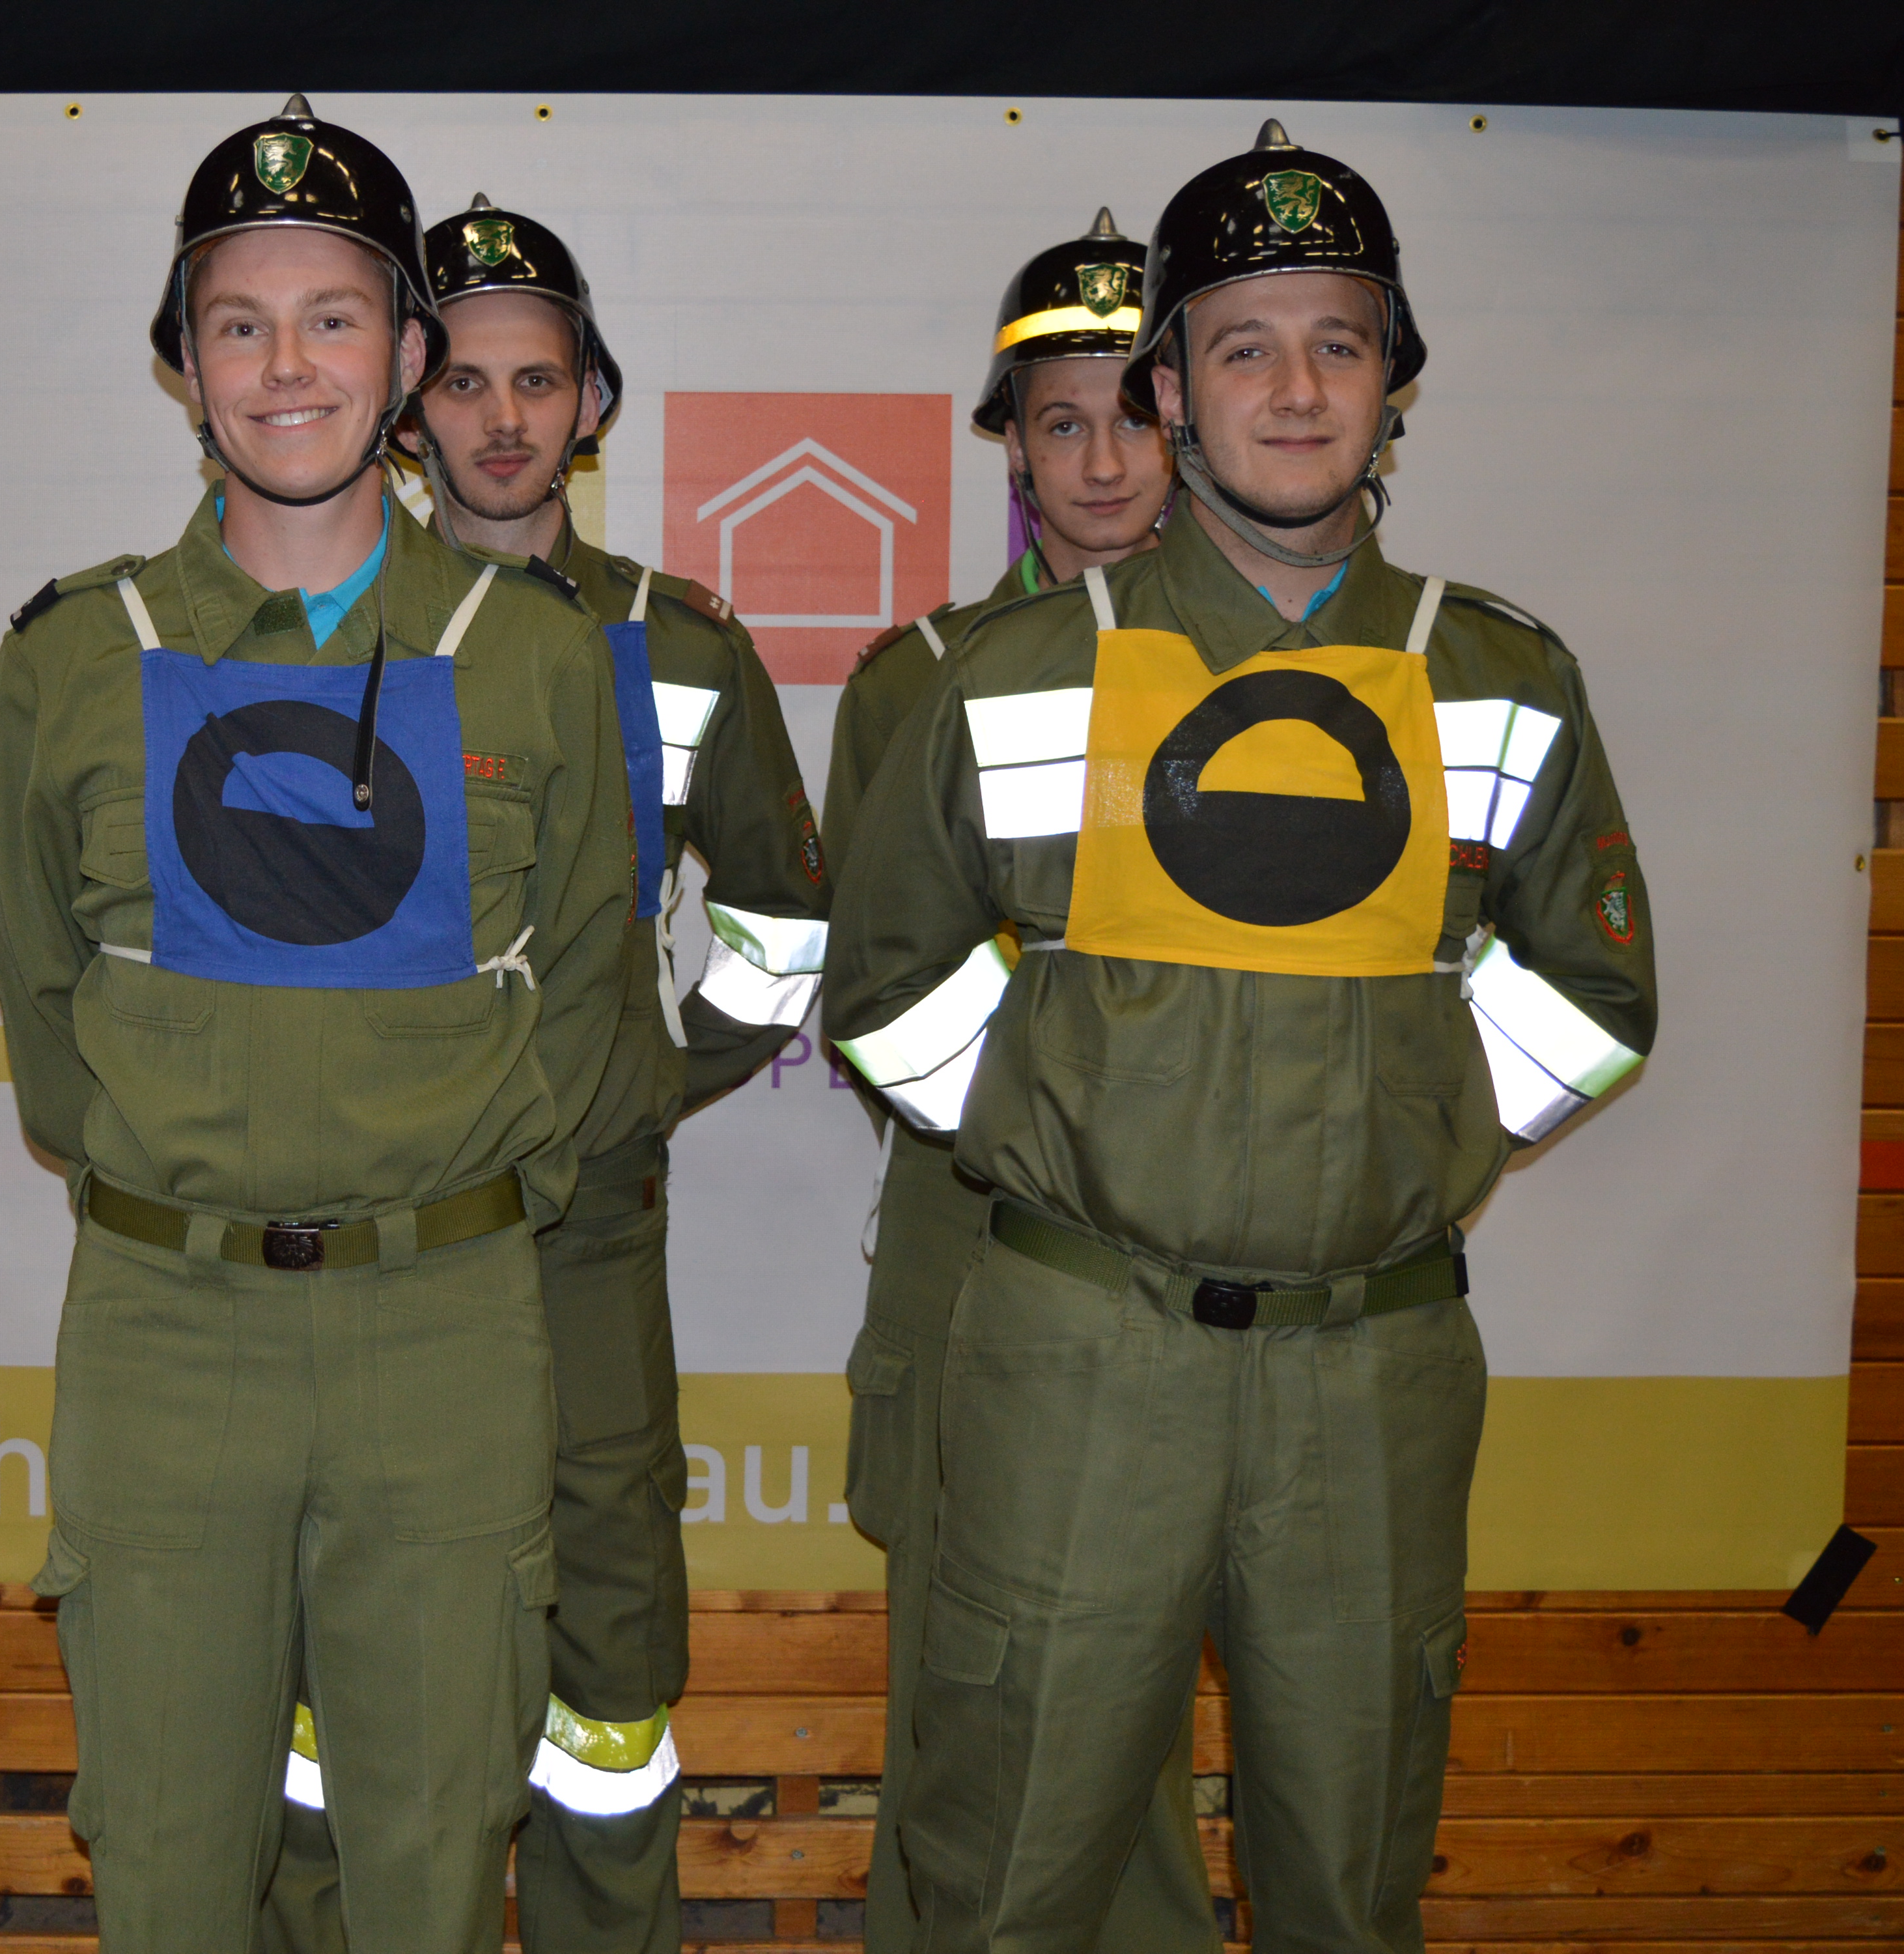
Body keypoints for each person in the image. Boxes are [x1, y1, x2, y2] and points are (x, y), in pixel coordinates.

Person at [823, 122, 1658, 1953]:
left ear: (1393, 380)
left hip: (1373, 1375)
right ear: (1172, 391)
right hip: (1080, 1358)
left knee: (1350, 1889)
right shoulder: (1014, 675)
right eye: (1245, 346)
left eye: (1339, 342)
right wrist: (1062, 1130)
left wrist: (1423, 1139)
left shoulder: (1498, 675)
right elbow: (884, 987)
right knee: (1006, 1886)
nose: (1295, 390)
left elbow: (1595, 998)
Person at [0, 98, 632, 1953]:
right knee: (169, 1856)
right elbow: (45, 998)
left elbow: (590, 973)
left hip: (448, 1334)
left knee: (432, 1857)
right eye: (240, 325)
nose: (287, 367)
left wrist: (448, 1195)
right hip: (166, 1332)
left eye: (334, 319)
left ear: (411, 358)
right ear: (183, 366)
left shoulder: (535, 653)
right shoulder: (73, 656)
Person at [265, 191, 831, 1954]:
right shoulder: (315, 634)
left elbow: (786, 924)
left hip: (585, 1230)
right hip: (372, 1232)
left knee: (604, 1661)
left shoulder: (686, 646)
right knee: (341, 1650)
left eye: (540, 381)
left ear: (593, 402)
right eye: (466, 382)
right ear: (407, 400)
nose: (503, 420)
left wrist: (648, 1076)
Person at [822, 209, 1216, 1954]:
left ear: (1192, 418)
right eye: (1063, 422)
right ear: (1011, 449)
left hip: (1209, 1261)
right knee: (958, 1713)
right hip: (974, 1239)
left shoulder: (1289, 673)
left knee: (1141, 1728)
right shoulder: (916, 684)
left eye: (1134, 414)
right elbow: (885, 990)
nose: (1104, 460)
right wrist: (1077, 1118)